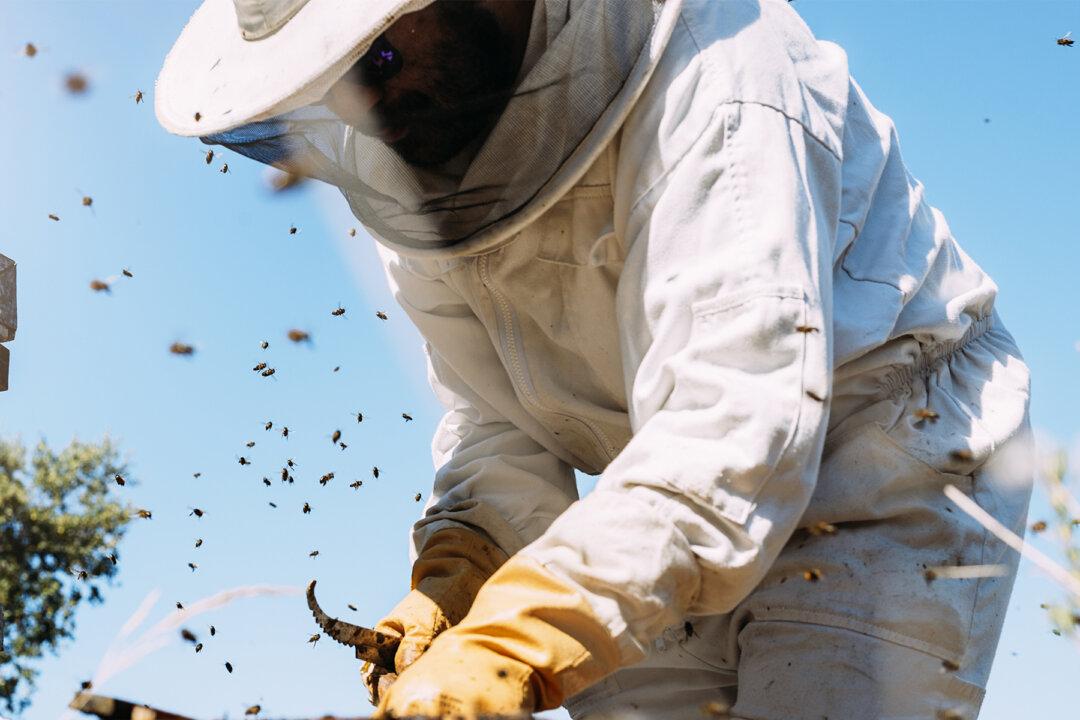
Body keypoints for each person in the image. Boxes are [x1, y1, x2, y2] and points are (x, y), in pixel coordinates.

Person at [156, 1, 1034, 718]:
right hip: (651, 492)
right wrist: (457, 572)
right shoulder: (420, 163)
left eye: (374, 65)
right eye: (329, 95)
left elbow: (738, 423)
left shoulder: (720, 73)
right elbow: (497, 410)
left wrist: (513, 640)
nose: (367, 114)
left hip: (879, 453)